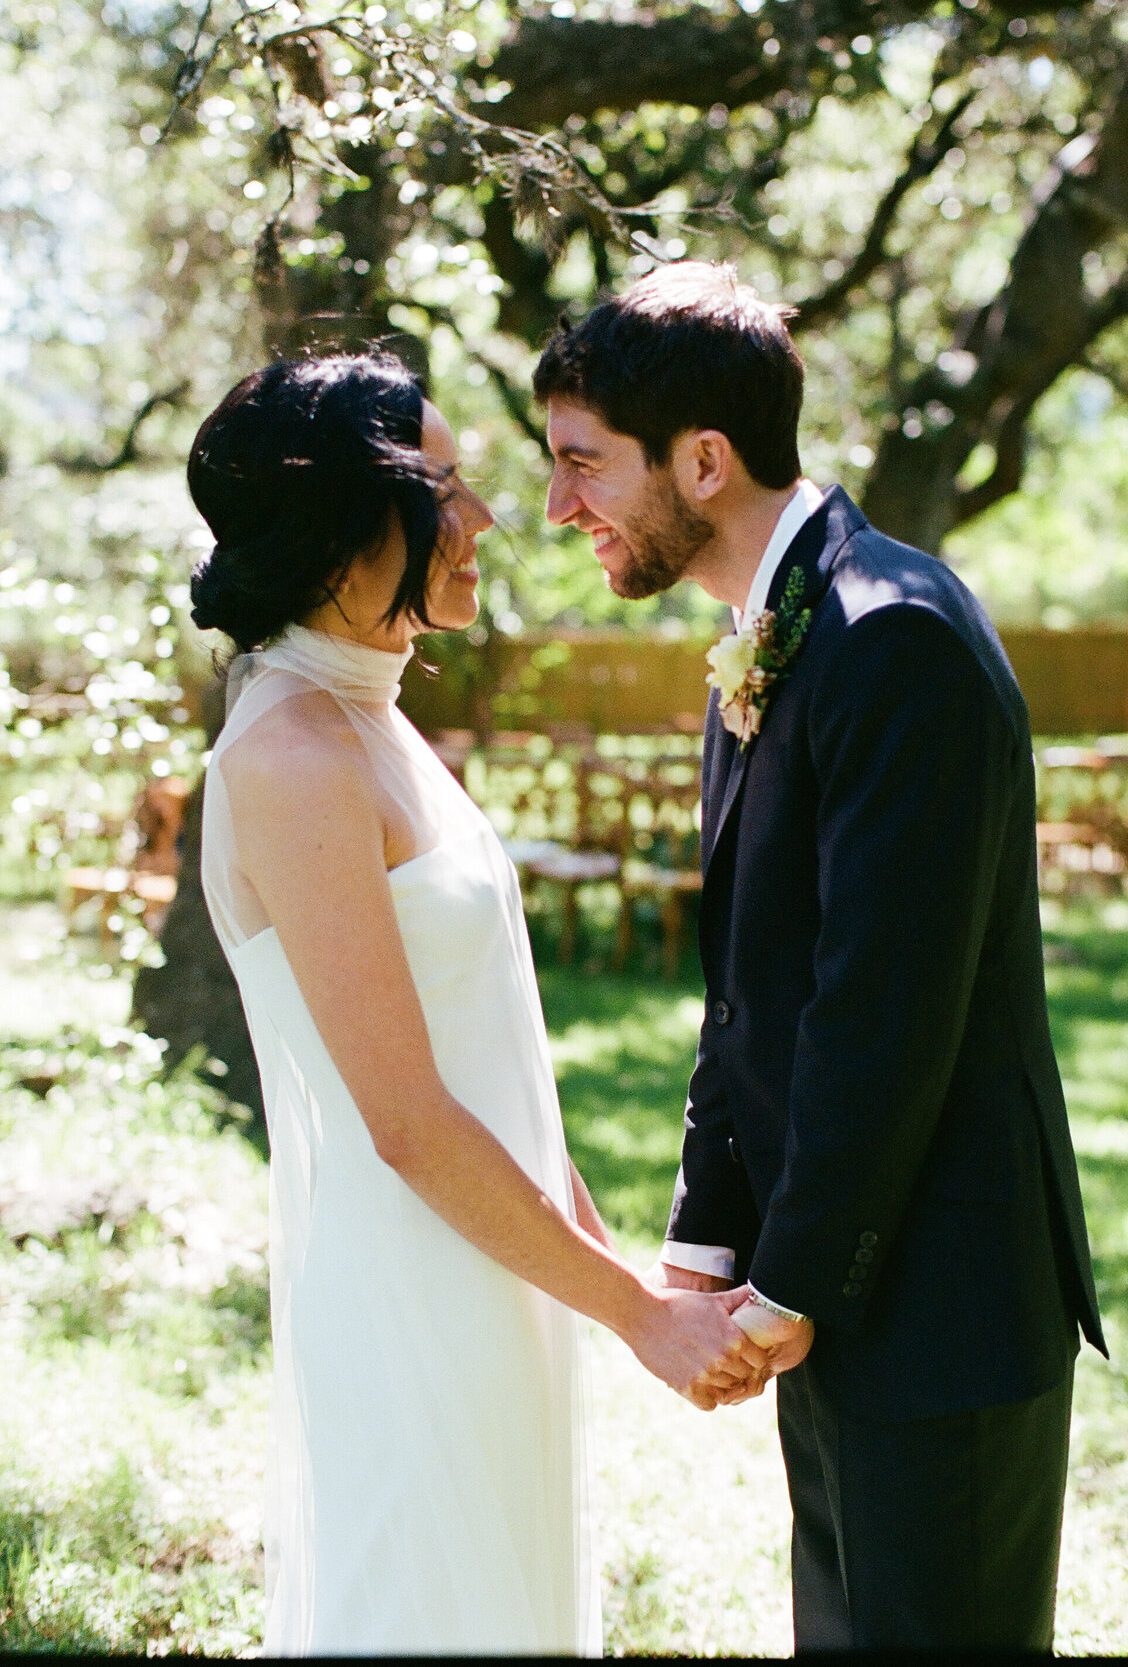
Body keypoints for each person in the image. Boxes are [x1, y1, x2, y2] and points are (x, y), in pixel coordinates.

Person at [534, 262, 1108, 1652]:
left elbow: (881, 1013)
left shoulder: (890, 638)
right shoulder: (767, 643)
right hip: (845, 1295)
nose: (561, 507)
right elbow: (749, 987)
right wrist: (708, 1243)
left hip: (946, 1302)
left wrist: (784, 1290)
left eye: (581, 463)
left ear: (705, 460)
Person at [186, 352, 763, 1657]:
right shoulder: (290, 752)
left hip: (497, 1280)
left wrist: (621, 1276)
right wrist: (635, 1314)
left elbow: (498, 1058)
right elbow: (404, 1116)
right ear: (340, 519)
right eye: (442, 487)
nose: (489, 516)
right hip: (410, 1302)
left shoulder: (378, 720)